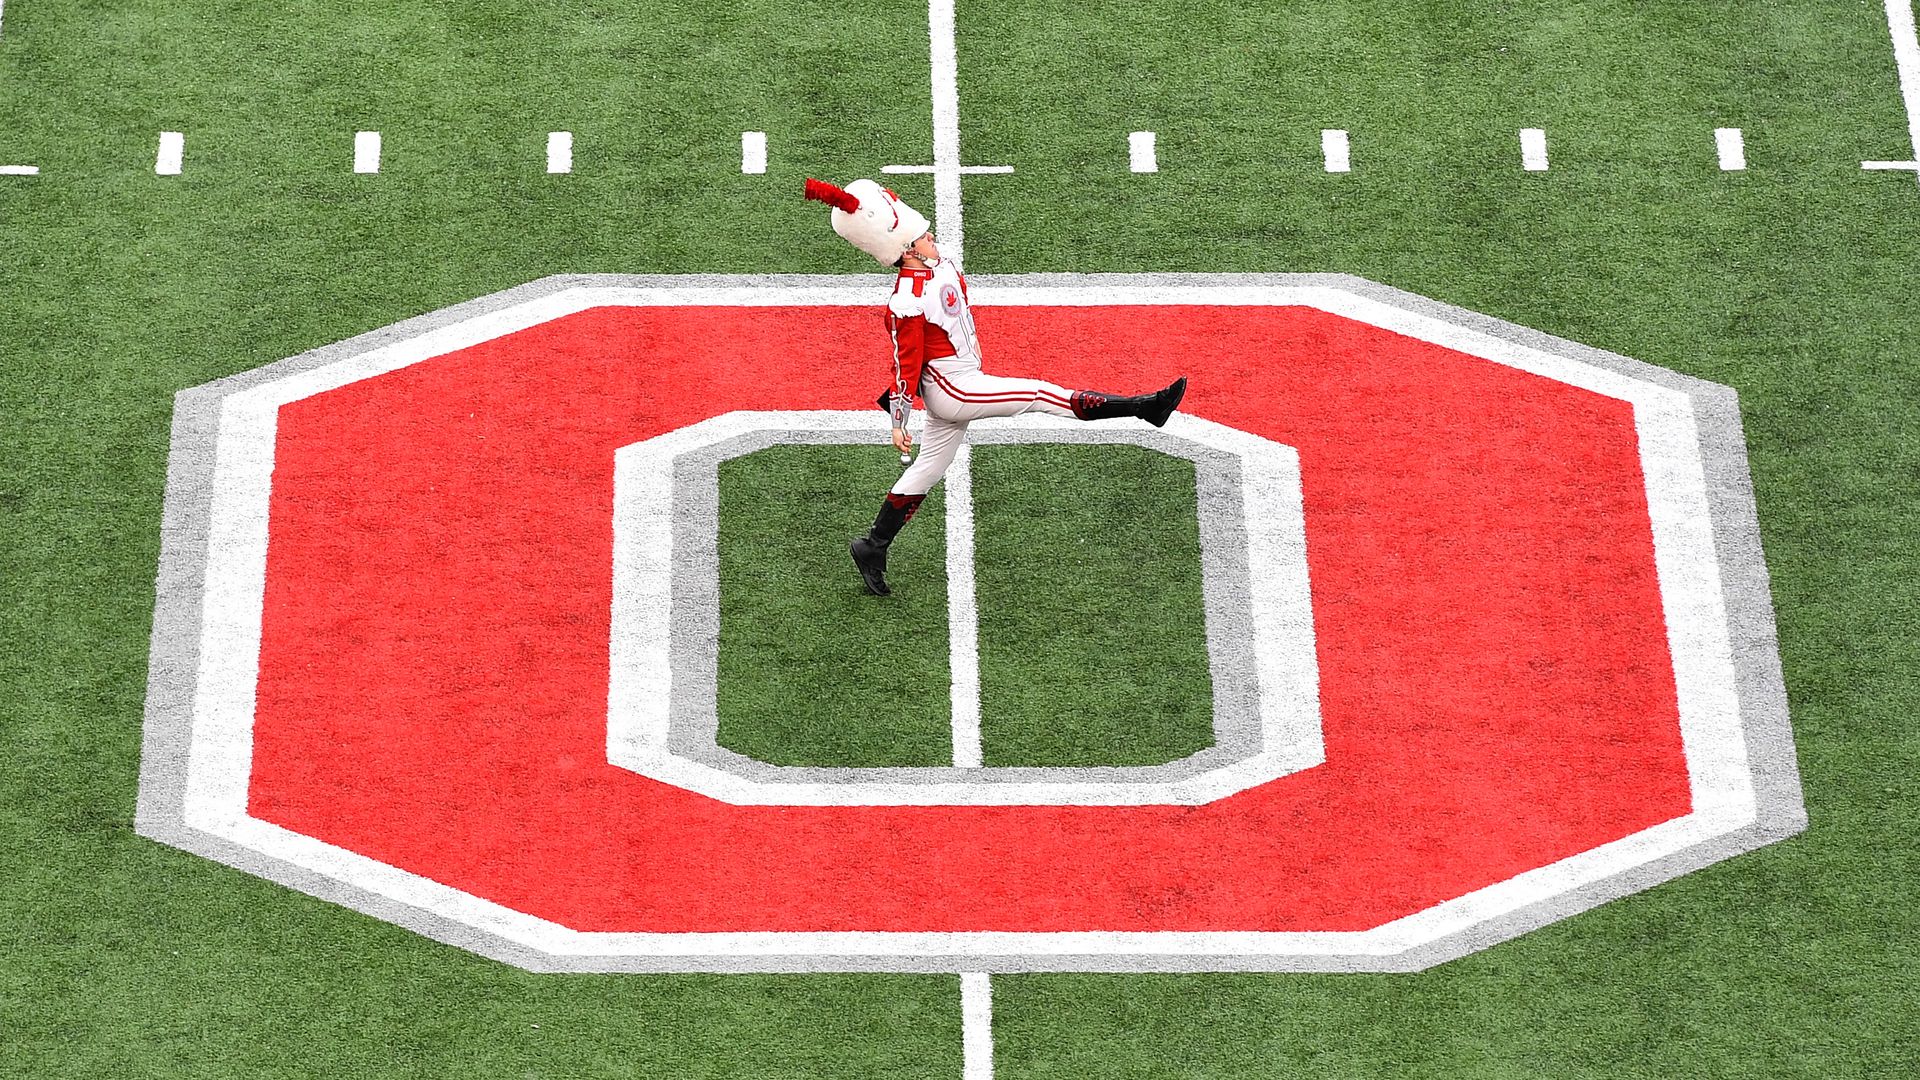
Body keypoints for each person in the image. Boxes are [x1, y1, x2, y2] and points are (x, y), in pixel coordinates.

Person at [803, 177, 1187, 596]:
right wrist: (899, 420)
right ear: (907, 250)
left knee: (928, 469)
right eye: (923, 237)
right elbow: (904, 363)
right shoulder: (905, 301)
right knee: (1040, 394)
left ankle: (872, 546)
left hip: (962, 374)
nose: (933, 238)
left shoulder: (940, 264)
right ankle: (1144, 407)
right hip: (954, 390)